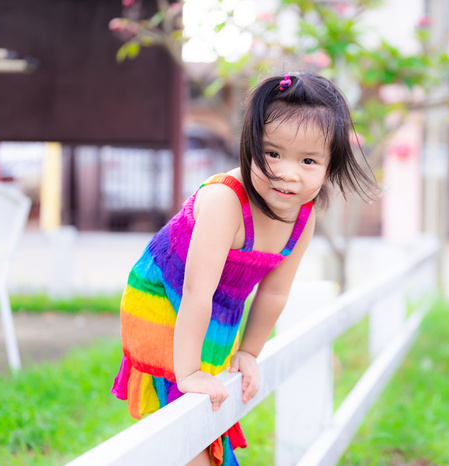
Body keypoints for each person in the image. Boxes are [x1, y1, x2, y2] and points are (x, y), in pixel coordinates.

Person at [110, 71, 377, 466]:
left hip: (218, 312)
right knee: (190, 421)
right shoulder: (225, 201)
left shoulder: (303, 219)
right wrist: (188, 373)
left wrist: (249, 352)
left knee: (213, 410)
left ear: (329, 165)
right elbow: (196, 293)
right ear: (248, 147)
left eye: (308, 160)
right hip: (167, 299)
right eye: (272, 153)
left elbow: (273, 292)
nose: (287, 172)